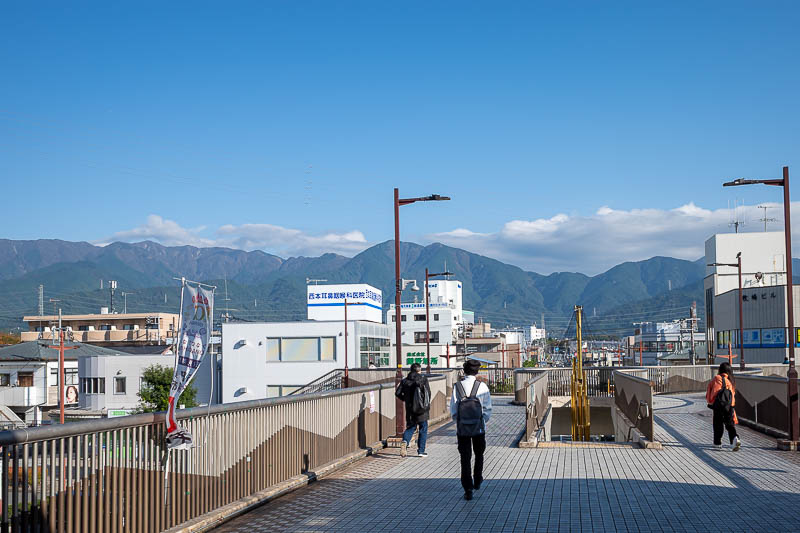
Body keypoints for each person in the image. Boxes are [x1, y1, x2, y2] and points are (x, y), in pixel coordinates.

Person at [451, 359, 492, 500]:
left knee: (465, 457)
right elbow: (487, 409)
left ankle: (467, 489)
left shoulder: (457, 386)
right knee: (479, 454)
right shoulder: (482, 386)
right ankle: (478, 479)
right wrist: (482, 422)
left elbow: (454, 410)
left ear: (464, 371)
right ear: (477, 371)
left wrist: (460, 422)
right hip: (478, 427)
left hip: (462, 428)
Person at [395, 363, 431, 457]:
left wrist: (405, 400)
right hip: (421, 409)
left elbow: (398, 393)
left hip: (410, 409)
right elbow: (428, 394)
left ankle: (405, 441)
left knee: (411, 427)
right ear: (419, 370)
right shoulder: (423, 379)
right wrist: (425, 405)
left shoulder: (404, 381)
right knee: (423, 428)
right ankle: (421, 451)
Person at [706, 362, 741, 451]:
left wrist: (710, 402)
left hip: (718, 405)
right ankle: (734, 439)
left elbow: (709, 392)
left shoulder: (716, 379)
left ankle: (717, 443)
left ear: (720, 370)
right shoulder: (731, 381)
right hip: (729, 406)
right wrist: (732, 407)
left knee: (718, 424)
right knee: (730, 424)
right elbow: (732, 395)